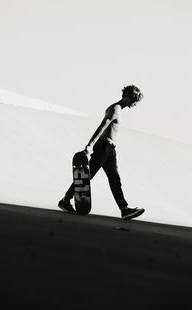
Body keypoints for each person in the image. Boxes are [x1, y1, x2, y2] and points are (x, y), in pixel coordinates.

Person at [58, 85, 145, 220]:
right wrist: (89, 145)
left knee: (114, 179)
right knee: (87, 176)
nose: (135, 105)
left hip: (109, 149)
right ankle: (65, 200)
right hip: (103, 147)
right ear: (128, 97)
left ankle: (124, 209)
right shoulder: (115, 109)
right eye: (135, 101)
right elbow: (102, 127)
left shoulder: (118, 109)